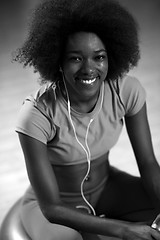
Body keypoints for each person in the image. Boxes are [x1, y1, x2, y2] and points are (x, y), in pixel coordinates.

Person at [14, 0, 160, 239]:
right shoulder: (37, 113)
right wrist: (123, 229)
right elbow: (51, 208)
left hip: (108, 190)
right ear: (58, 62)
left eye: (99, 57)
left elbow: (148, 164)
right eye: (75, 58)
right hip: (56, 206)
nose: (89, 69)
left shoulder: (126, 91)